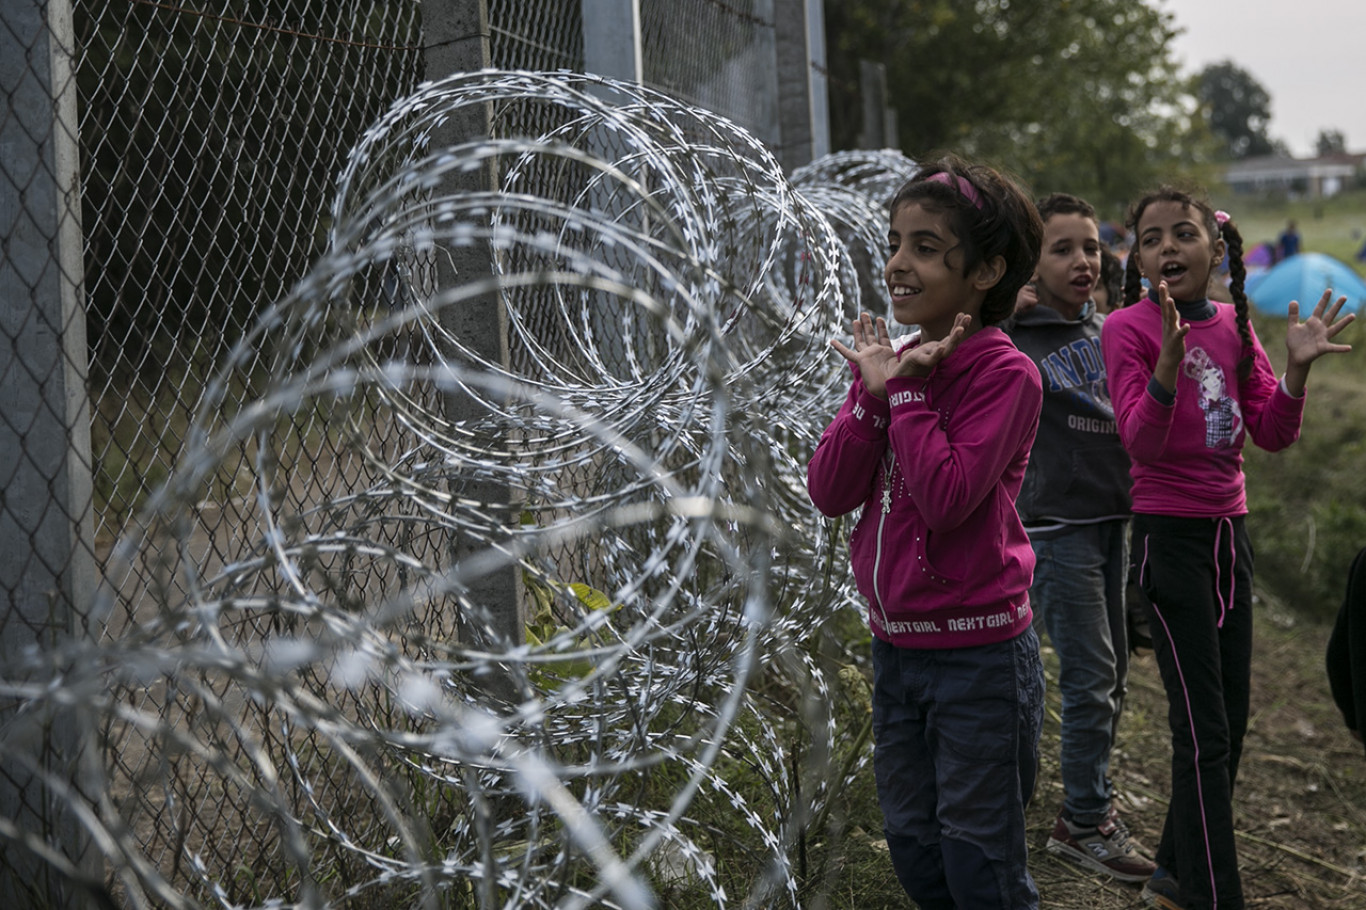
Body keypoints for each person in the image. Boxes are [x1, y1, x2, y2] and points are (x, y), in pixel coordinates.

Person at [1101, 187, 1354, 910]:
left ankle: (1175, 873)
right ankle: (1215, 895)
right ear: (1141, 257)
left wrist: (1297, 370)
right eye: (1153, 238)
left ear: (1216, 249)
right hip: (1168, 543)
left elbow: (1273, 432)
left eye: (1184, 234)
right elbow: (1139, 442)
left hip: (1227, 540)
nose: (1169, 248)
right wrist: (1166, 369)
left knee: (1231, 724)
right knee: (1203, 732)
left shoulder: (1237, 327)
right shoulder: (1127, 329)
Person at [807, 155, 1045, 909]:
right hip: (898, 648)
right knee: (915, 848)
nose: (898, 264)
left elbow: (946, 498)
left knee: (981, 865)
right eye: (895, 242)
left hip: (978, 656)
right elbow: (829, 490)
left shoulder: (1006, 376)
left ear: (986, 270)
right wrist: (875, 398)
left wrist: (903, 393)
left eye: (926, 247)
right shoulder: (893, 365)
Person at [1006, 193, 1154, 884]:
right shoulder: (1013, 334)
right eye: (1062, 248)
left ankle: (1088, 801)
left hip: (1108, 522)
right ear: (1031, 266)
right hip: (1057, 529)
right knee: (1091, 678)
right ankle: (1084, 820)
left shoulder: (1108, 331)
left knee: (1114, 674)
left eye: (1090, 247)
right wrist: (1004, 305)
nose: (1082, 261)